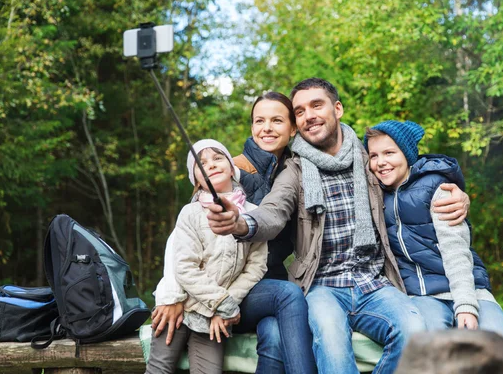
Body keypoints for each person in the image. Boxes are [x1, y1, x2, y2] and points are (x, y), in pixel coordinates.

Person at [206, 78, 471, 374]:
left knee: (415, 332)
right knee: (331, 345)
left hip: (375, 282)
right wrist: (241, 222)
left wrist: (453, 187)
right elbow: (273, 211)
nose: (309, 115)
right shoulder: (295, 169)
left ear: (338, 108)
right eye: (301, 111)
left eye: (316, 105)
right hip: (322, 287)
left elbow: (413, 173)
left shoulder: (368, 157)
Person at [152, 92, 317, 374]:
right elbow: (180, 242)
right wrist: (172, 295)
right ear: (251, 126)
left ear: (293, 128)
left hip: (259, 282)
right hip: (217, 287)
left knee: (275, 336)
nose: (267, 128)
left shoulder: (301, 171)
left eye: (277, 120)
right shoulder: (231, 168)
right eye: (259, 121)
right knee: (287, 296)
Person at [363, 120, 503, 363]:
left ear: (407, 154)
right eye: (374, 155)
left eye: (389, 153)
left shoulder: (436, 188)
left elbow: (456, 252)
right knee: (433, 357)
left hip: (468, 289)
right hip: (421, 296)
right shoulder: (374, 195)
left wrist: (466, 306)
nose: (381, 162)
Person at [145, 140, 267, 374]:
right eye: (202, 163)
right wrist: (221, 302)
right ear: (196, 179)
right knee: (159, 369)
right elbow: (184, 267)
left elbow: (256, 267)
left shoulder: (253, 215)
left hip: (213, 319)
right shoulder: (190, 213)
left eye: (218, 158)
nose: (210, 165)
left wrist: (225, 307)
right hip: (180, 307)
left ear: (232, 168)